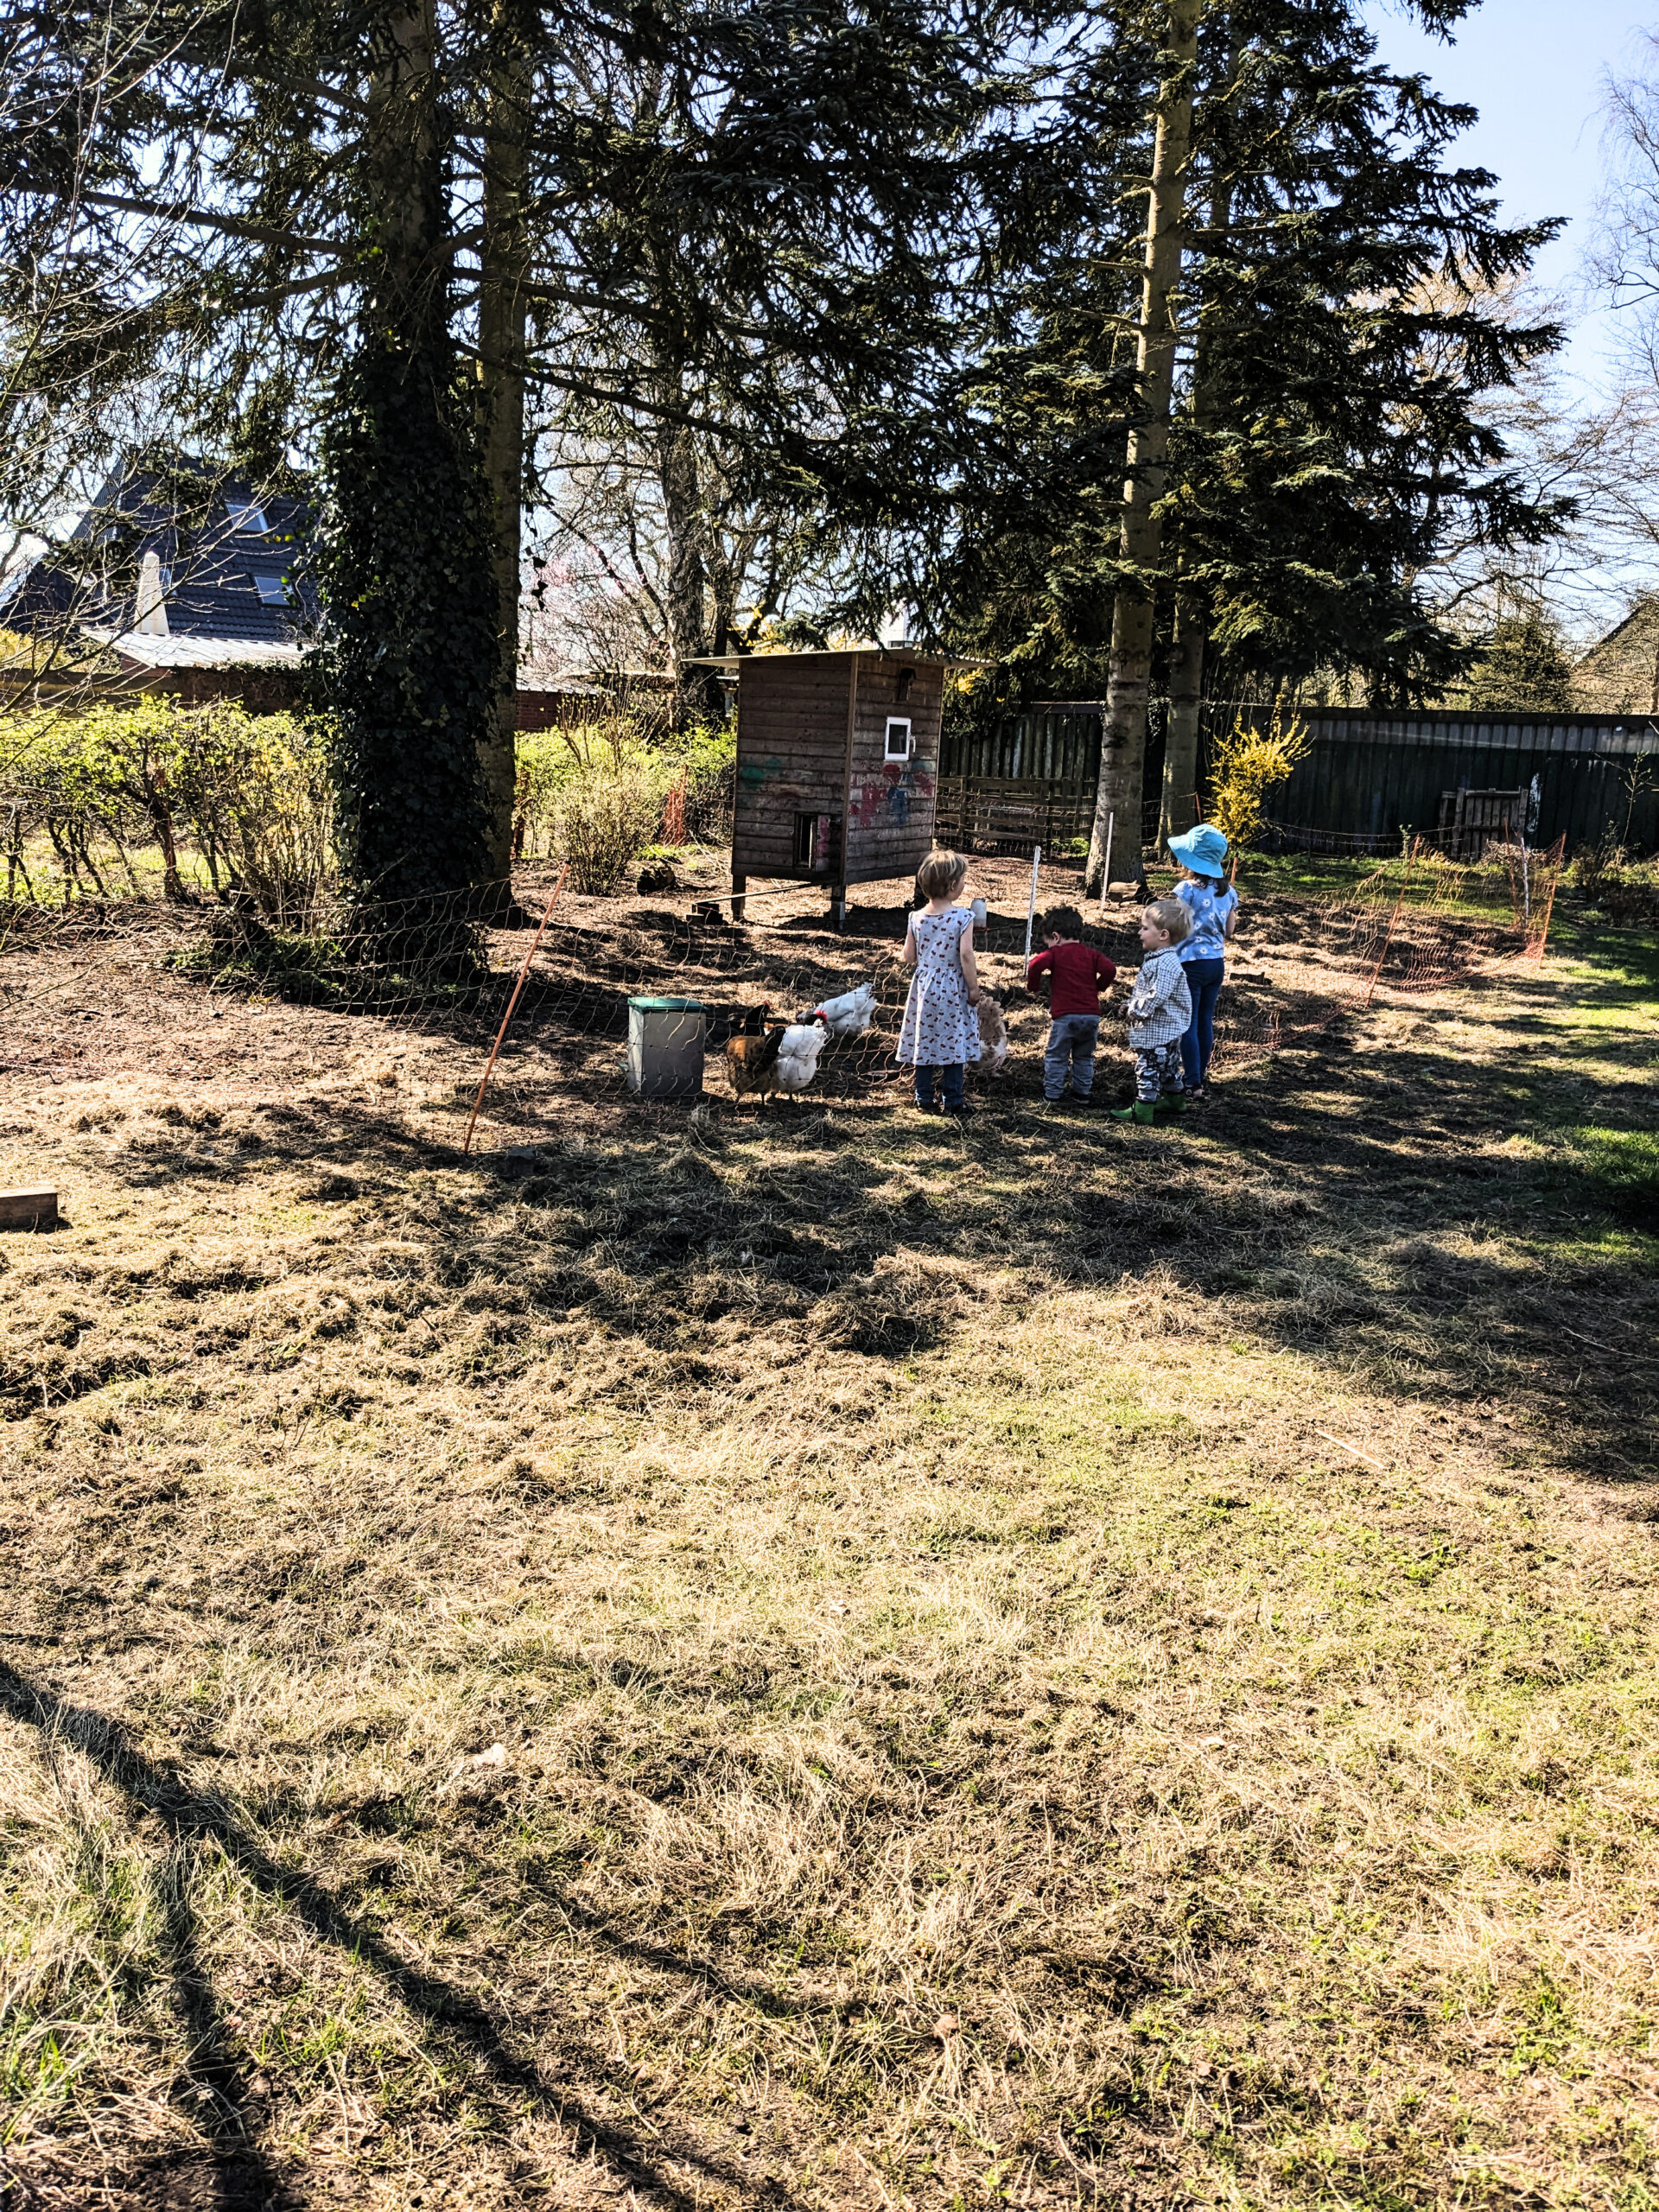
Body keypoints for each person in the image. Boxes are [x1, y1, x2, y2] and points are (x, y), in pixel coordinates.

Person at [898, 849, 982, 1116]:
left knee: (925, 1040)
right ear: (952, 885)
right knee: (953, 1041)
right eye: (963, 879)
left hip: (924, 988)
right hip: (953, 988)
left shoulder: (916, 917)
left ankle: (923, 1097)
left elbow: (908, 956)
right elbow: (966, 955)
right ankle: (953, 1099)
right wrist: (973, 987)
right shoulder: (963, 918)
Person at [1167, 823, 1239, 1102]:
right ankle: (1201, 1073)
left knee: (1188, 1022)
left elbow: (1175, 925)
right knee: (1205, 1021)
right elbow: (1230, 931)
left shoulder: (1187, 889)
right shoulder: (1228, 892)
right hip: (1215, 964)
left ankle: (1193, 1082)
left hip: (1190, 965)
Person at [1111, 898, 1193, 1124]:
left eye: (1145, 928)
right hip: (1167, 1028)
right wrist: (1130, 1003)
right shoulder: (1161, 960)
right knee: (1167, 1066)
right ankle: (1176, 1100)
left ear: (1163, 935)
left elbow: (1156, 995)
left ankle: (1143, 1109)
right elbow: (1147, 992)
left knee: (1147, 1067)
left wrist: (1134, 1011)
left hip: (1160, 1029)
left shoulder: (1165, 964)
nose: (1140, 932)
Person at [1025, 905, 1117, 1104]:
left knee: (1057, 1055)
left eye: (1048, 942)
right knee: (1084, 1056)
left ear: (1056, 937)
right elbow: (1110, 969)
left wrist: (1033, 987)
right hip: (1091, 1016)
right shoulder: (1091, 955)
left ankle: (1053, 1094)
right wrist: (1098, 987)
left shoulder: (1056, 954)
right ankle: (1081, 1094)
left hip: (1065, 1016)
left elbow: (1035, 965)